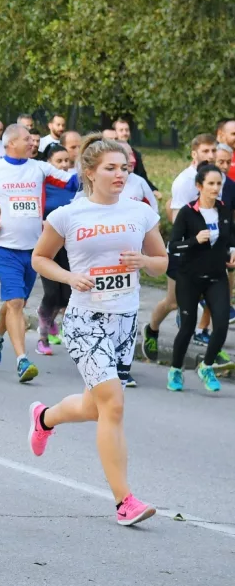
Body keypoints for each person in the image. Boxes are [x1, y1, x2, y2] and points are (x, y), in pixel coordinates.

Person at [29, 136, 168, 527]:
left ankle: (44, 419)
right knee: (114, 405)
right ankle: (125, 501)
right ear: (89, 172)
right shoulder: (68, 215)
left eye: (124, 168)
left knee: (97, 406)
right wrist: (70, 277)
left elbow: (161, 262)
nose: (120, 174)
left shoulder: (140, 212)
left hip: (125, 320)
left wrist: (143, 260)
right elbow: (40, 258)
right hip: (84, 320)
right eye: (111, 168)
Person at [0, 123, 79, 382]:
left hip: (34, 250)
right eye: (27, 139)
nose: (33, 143)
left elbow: (73, 182)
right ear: (10, 143)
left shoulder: (40, 168)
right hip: (4, 248)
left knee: (16, 302)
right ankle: (22, 361)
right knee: (15, 303)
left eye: (33, 140)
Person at [142, 133, 218, 360]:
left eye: (213, 150)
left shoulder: (215, 179)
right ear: (194, 154)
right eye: (206, 151)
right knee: (172, 302)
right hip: (183, 252)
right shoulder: (185, 182)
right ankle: (152, 329)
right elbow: (177, 222)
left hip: (209, 251)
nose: (211, 155)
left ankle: (209, 348)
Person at [166, 164, 233, 391]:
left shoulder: (224, 210)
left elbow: (228, 239)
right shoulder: (187, 212)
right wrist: (194, 240)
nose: (215, 189)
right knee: (187, 326)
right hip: (189, 277)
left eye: (219, 184)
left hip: (216, 276)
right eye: (211, 184)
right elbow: (173, 246)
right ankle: (175, 370)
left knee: (222, 325)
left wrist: (231, 253)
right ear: (199, 186)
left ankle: (206, 366)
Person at [35, 143, 77, 359]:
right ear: (48, 163)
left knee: (67, 295)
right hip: (47, 245)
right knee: (51, 293)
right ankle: (42, 337)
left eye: (67, 161)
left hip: (69, 246)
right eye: (58, 161)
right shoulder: (42, 184)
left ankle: (51, 322)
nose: (63, 165)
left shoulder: (74, 184)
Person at [113, 119, 159, 196]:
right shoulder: (108, 153)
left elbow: (142, 175)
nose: (125, 133)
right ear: (115, 133)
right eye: (121, 130)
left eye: (127, 130)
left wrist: (152, 189)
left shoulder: (136, 154)